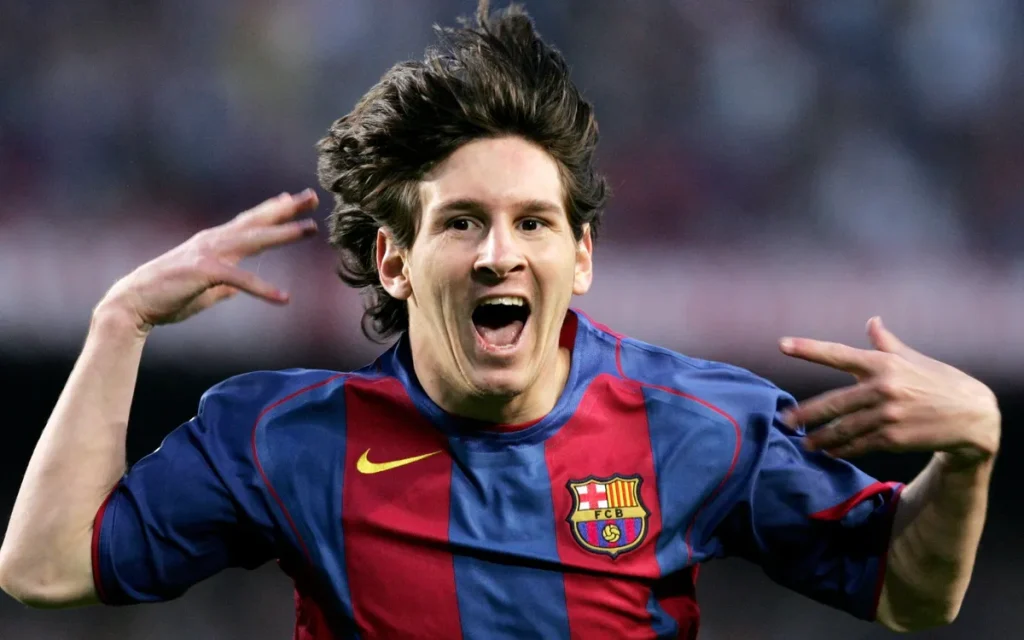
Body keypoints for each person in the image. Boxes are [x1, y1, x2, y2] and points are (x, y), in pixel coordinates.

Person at [0, 2, 1000, 638]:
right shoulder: (282, 437)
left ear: (581, 257)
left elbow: (908, 594)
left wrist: (967, 455)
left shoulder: (701, 421)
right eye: (461, 222)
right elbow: (45, 568)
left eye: (532, 222)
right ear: (394, 261)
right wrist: (119, 323)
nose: (497, 254)